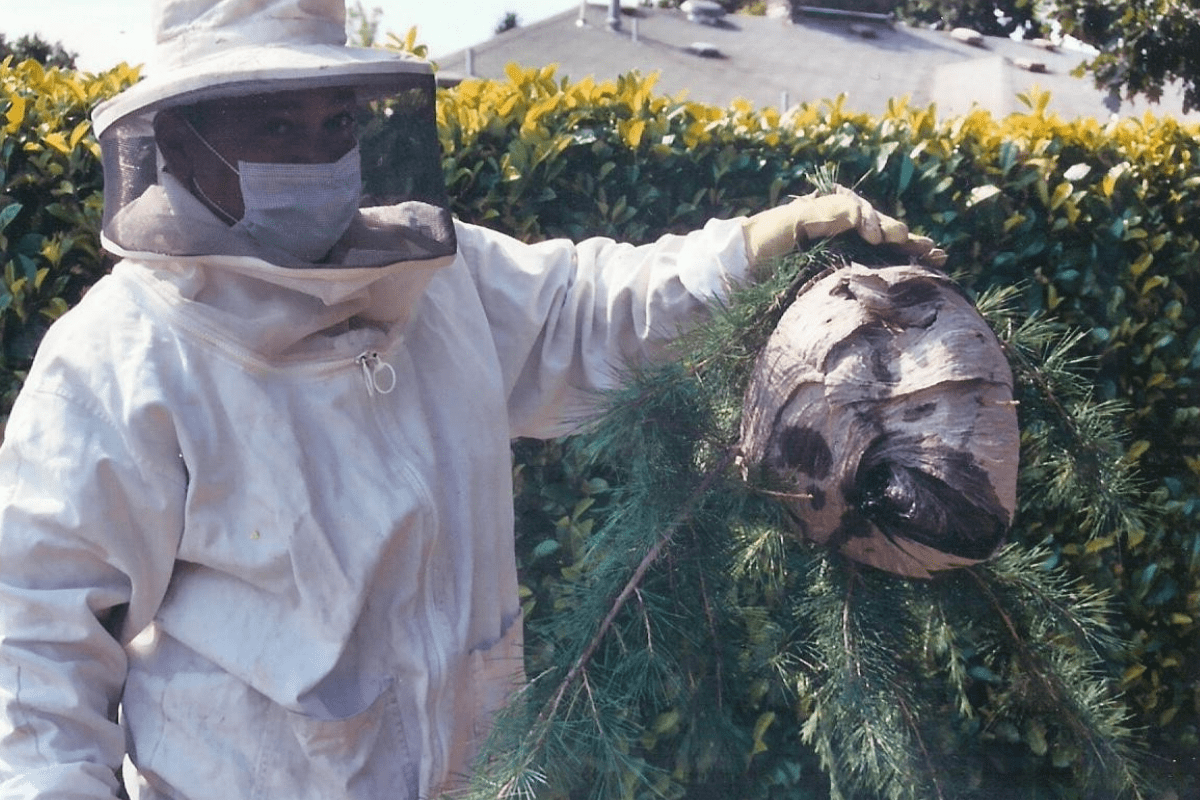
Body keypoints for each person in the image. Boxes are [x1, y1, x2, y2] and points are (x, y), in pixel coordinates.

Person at [0, 1, 938, 798]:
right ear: (175, 139)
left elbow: (590, 310)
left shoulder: (439, 280)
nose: (320, 154)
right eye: (278, 127)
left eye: (337, 124)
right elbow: (33, 653)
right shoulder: (116, 360)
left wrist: (760, 240)